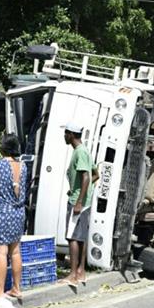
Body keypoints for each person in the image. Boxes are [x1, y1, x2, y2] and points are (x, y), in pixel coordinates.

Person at [0, 134, 28, 299]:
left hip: (2, 212)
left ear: (2, 147)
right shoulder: (23, 166)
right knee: (15, 252)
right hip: (18, 212)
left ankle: (0, 290)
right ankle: (17, 288)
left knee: (1, 252)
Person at [61, 123, 95, 287]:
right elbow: (95, 174)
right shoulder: (83, 151)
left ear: (71, 135)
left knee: (72, 237)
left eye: (66, 133)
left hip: (78, 201)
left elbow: (87, 177)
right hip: (81, 198)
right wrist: (79, 190)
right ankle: (81, 271)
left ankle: (73, 274)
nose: (64, 136)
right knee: (81, 236)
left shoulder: (80, 152)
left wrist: (79, 200)